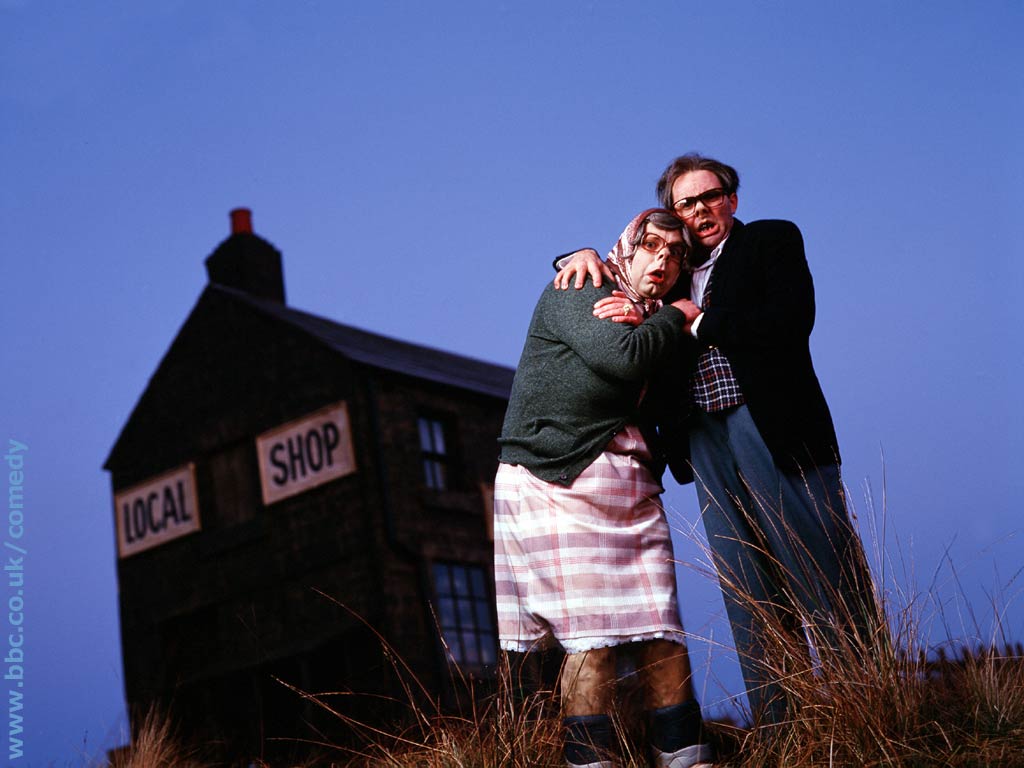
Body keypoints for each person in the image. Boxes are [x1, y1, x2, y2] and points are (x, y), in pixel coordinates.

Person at [558, 154, 878, 725]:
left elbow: (791, 321)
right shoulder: (673, 270)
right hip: (704, 438)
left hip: (772, 426)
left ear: (731, 199)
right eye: (686, 203)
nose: (700, 209)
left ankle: (870, 707)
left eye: (710, 196)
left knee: (821, 566)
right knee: (746, 586)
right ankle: (782, 730)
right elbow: (624, 268)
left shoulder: (770, 241)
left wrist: (698, 322)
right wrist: (575, 254)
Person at [495, 209, 715, 768]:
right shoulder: (580, 285)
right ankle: (592, 761)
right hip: (556, 477)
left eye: (676, 254)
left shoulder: (654, 318)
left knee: (662, 631)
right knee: (589, 640)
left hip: (630, 486)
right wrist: (675, 318)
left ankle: (687, 757)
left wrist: (659, 321)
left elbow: (663, 383)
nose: (663, 260)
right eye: (652, 246)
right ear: (627, 247)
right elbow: (623, 358)